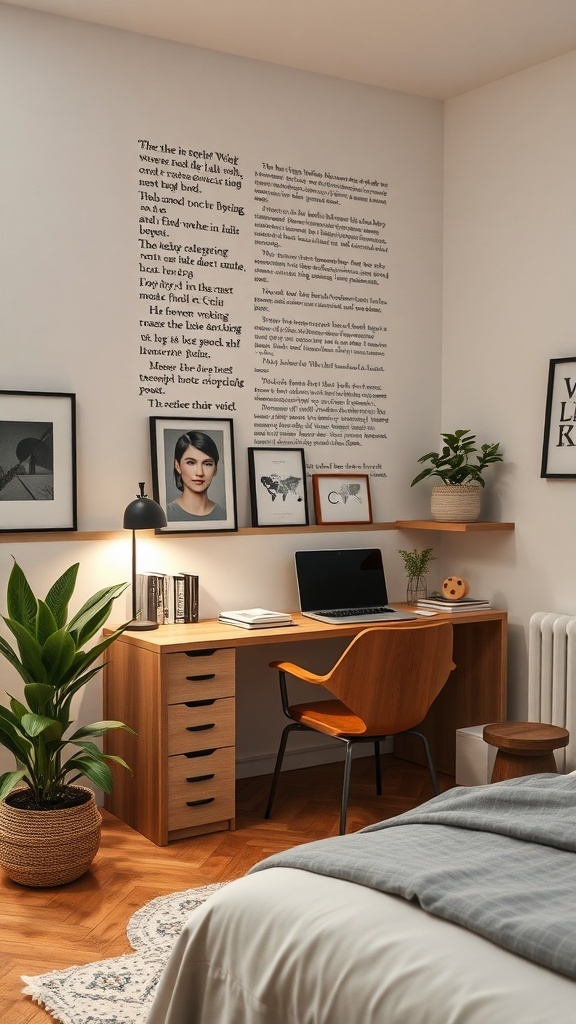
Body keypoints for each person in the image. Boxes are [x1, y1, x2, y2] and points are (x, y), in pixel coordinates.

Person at [166, 431, 226, 521]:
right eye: (191, 462)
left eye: (207, 464)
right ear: (177, 466)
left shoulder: (224, 515)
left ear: (215, 469)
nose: (200, 473)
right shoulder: (166, 514)